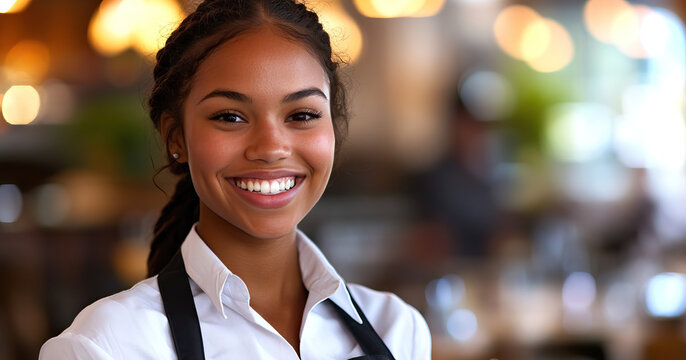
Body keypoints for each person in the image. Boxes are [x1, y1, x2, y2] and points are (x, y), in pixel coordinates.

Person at [39, 0, 431, 358]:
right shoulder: (107, 345)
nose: (271, 147)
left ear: (333, 129)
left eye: (301, 115)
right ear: (176, 139)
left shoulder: (398, 329)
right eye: (230, 116)